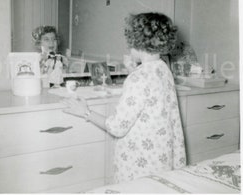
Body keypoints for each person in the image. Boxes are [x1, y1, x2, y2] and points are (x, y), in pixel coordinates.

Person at [62, 12, 186, 183]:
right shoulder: (163, 69)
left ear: (136, 42)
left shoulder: (138, 78)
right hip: (161, 156)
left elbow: (117, 127)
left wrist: (86, 112)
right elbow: (149, 93)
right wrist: (133, 71)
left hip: (139, 163)